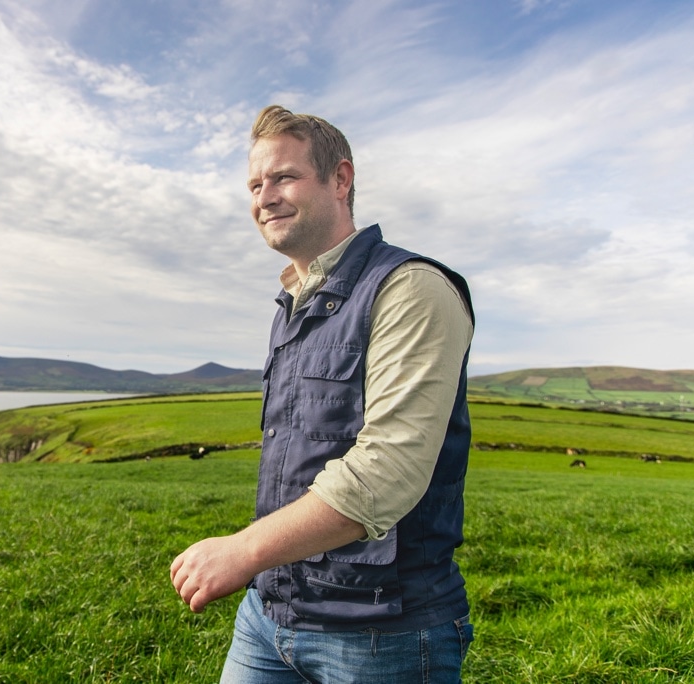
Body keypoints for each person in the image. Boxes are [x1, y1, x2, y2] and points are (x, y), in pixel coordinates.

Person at [170, 105, 476, 683]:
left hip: (382, 632)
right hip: (270, 614)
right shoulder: (293, 303)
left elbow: (387, 470)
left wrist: (244, 550)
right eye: (255, 185)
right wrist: (264, 571)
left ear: (341, 179)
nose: (265, 198)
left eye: (284, 177)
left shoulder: (411, 289)